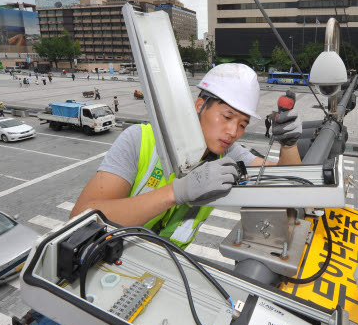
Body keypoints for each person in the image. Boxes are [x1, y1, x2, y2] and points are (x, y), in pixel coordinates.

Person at [70, 63, 303, 249]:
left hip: (168, 269)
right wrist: (177, 192)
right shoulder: (141, 140)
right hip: (107, 258)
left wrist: (288, 144)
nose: (233, 132)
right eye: (227, 117)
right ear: (200, 105)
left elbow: (287, 184)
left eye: (242, 124)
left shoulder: (229, 152)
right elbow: (80, 220)